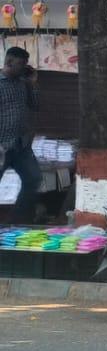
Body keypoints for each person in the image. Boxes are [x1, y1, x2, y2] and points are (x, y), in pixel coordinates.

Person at [0, 47, 41, 223]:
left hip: (21, 144)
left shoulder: (22, 83)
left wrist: (32, 84)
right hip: (2, 145)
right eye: (21, 64)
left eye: (26, 64)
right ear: (9, 62)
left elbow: (35, 105)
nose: (24, 68)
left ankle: (18, 219)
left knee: (34, 179)